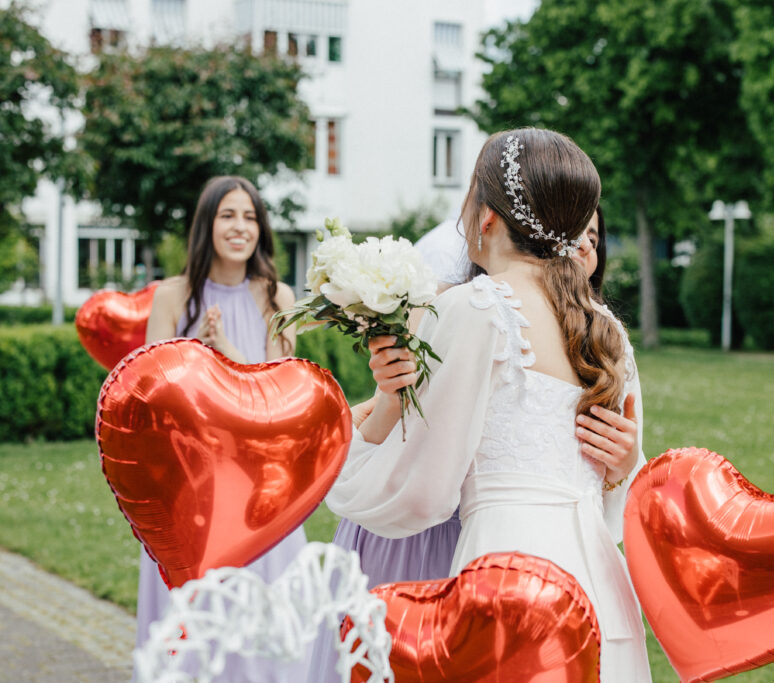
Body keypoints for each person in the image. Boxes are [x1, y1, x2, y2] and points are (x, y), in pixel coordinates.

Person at [322, 129, 651, 679]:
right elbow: (618, 507)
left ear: (488, 217)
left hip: (506, 576)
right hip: (604, 593)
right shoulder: (609, 330)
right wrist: (624, 467)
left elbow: (423, 493)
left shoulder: (479, 309)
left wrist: (342, 472)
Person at [136, 176, 307, 683]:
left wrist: (227, 353)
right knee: (195, 616)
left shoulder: (278, 295)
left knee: (261, 610)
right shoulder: (172, 297)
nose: (240, 227)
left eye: (250, 217)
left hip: (258, 484)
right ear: (207, 224)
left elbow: (281, 397)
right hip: (191, 483)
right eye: (228, 215)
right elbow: (150, 398)